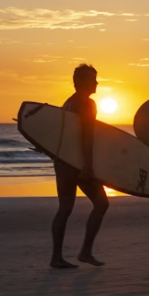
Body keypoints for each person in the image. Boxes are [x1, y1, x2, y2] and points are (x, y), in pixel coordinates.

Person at [49, 64, 110, 269]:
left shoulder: (68, 103)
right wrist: (88, 165)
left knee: (65, 208)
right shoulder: (87, 103)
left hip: (62, 161)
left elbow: (60, 133)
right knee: (102, 203)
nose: (96, 82)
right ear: (82, 81)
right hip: (77, 163)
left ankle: (56, 258)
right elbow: (87, 136)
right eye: (93, 79)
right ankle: (85, 252)